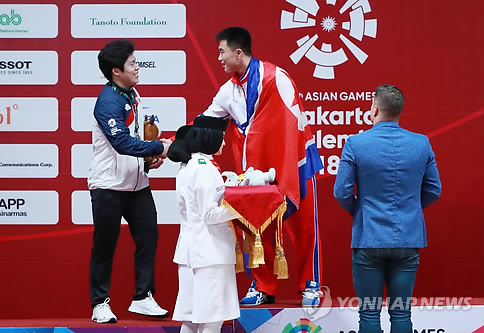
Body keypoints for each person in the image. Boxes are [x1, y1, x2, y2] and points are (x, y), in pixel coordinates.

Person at [201, 26, 324, 306]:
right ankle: (263, 286)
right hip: (258, 174)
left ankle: (310, 284)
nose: (218, 58)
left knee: (306, 230)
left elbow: (294, 123)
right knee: (256, 229)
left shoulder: (276, 78)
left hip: (296, 163)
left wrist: (286, 166)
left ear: (238, 53)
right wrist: (171, 144)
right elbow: (204, 123)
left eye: (222, 52)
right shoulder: (227, 91)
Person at [333, 84, 442, 333]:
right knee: (402, 313)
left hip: (368, 237)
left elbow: (341, 191)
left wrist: (360, 211)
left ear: (374, 108)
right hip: (408, 238)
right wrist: (410, 208)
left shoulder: (355, 143)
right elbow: (434, 190)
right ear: (399, 111)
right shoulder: (421, 143)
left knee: (369, 314)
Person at [87, 39, 171, 323]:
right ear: (116, 71)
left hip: (137, 186)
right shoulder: (107, 102)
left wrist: (148, 160)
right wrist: (159, 147)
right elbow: (121, 143)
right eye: (133, 63)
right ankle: (100, 304)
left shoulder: (132, 93)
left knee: (149, 237)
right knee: (105, 245)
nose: (138, 67)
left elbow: (135, 138)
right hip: (108, 186)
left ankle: (142, 297)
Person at [167, 116, 241, 333]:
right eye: (222, 138)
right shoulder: (204, 168)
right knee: (212, 318)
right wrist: (242, 208)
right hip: (210, 252)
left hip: (192, 252)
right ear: (211, 138)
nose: (225, 143)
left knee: (191, 318)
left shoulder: (190, 165)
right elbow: (209, 213)